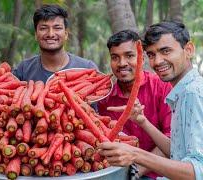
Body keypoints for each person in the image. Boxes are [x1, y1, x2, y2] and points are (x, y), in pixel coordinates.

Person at [98, 21, 203, 180]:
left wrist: (135, 155)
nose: (158, 61)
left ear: (188, 50)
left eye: (166, 51)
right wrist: (143, 121)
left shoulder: (192, 93)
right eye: (152, 55)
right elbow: (176, 152)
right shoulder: (182, 92)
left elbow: (198, 171)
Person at [97, 30, 172, 179]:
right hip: (119, 173)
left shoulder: (162, 87)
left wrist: (137, 170)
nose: (122, 63)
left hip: (158, 174)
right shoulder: (104, 99)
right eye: (115, 57)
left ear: (141, 58)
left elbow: (171, 141)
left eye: (129, 56)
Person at [13, 4, 98, 83]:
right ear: (36, 34)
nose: (51, 34)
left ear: (66, 34)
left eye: (57, 28)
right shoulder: (23, 70)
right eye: (43, 28)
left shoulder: (87, 68)